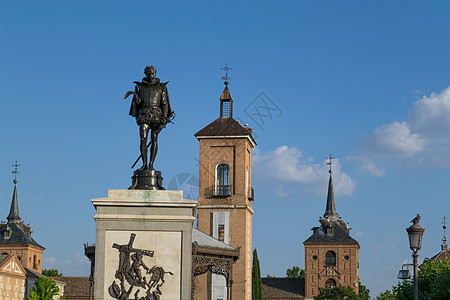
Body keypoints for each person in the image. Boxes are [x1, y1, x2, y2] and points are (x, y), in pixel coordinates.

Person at [128, 65, 173, 170]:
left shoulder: (162, 88)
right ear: (145, 74)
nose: (150, 75)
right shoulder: (139, 87)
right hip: (144, 114)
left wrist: (164, 117)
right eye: (148, 73)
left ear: (155, 74)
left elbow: (165, 104)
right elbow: (135, 105)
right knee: (143, 139)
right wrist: (136, 102)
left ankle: (151, 164)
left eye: (152, 73)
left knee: (154, 139)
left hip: (157, 115)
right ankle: (144, 164)